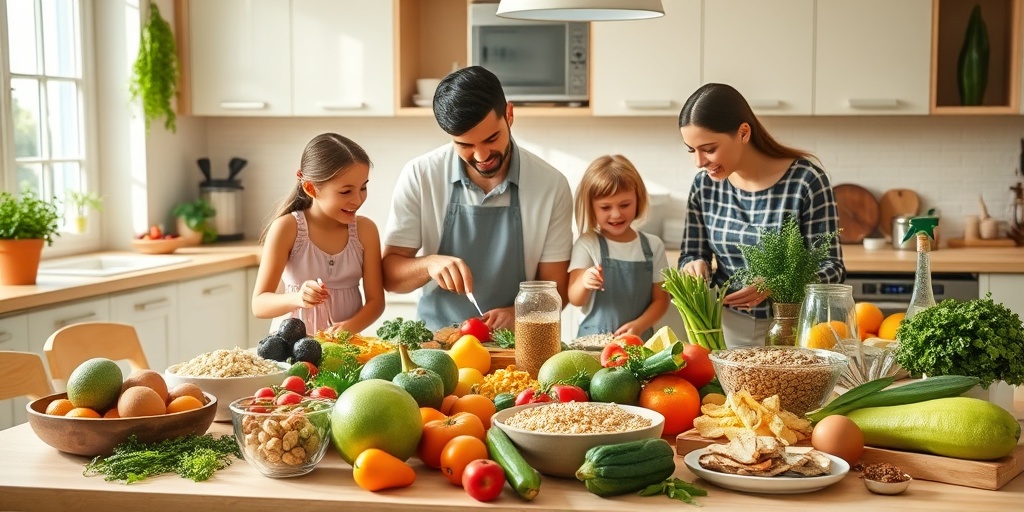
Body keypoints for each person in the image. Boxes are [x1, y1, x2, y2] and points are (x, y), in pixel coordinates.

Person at [382, 66, 573, 331]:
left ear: (509, 114)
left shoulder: (551, 186)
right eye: (465, 145)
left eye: (491, 138)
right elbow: (390, 276)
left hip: (515, 344)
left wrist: (517, 313)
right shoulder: (420, 175)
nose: (482, 156)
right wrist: (430, 264)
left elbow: (556, 289)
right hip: (435, 345)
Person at [676, 83, 845, 348]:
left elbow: (832, 268)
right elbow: (690, 253)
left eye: (708, 149)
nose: (699, 162)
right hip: (725, 330)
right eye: (691, 150)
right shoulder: (704, 185)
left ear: (743, 133)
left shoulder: (806, 181)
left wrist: (776, 284)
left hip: (792, 330)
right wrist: (693, 265)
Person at [252, 133, 385, 336]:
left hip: (345, 351)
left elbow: (376, 303)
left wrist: (345, 331)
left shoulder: (366, 231)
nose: (358, 199)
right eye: (345, 192)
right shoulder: (287, 228)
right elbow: (259, 304)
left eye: (363, 187)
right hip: (290, 352)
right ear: (310, 188)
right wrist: (297, 298)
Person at [568, 155, 670, 339]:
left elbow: (661, 301)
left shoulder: (653, 246)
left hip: (640, 343)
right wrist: (584, 281)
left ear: (638, 200)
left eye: (625, 205)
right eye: (605, 207)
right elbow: (575, 298)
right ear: (592, 208)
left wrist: (638, 326)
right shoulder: (587, 244)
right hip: (592, 346)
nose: (616, 214)